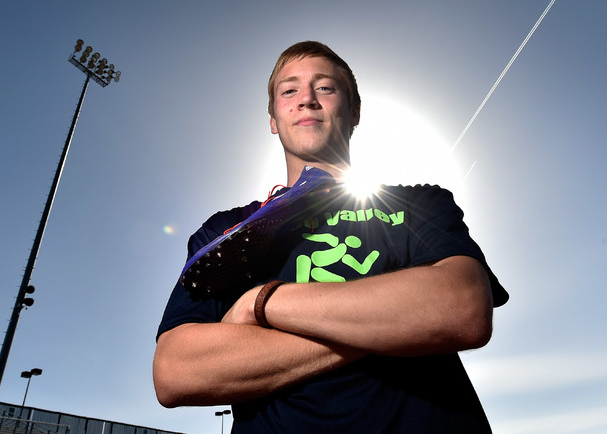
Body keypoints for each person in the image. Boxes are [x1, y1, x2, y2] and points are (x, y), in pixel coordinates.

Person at [153, 41, 509, 433]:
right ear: (273, 119)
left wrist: (263, 302)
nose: (307, 100)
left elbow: (461, 308)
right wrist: (395, 323)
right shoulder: (226, 230)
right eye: (289, 91)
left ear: (354, 110)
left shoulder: (418, 202)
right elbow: (176, 371)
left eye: (325, 87)